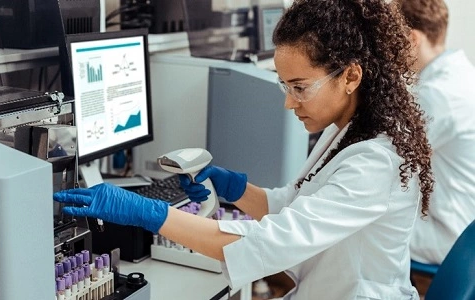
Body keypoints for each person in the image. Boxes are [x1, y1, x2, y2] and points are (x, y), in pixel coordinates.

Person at [54, 0, 434, 298]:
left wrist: (146, 212)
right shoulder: (351, 130)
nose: (289, 103)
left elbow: (270, 242)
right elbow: (296, 204)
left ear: (351, 76)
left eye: (299, 87)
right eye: (285, 86)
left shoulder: (376, 161)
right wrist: (236, 190)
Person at [399, 0, 475, 265]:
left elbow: (391, 157)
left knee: (361, 228)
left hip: (451, 235)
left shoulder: (439, 95)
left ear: (412, 38)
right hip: (465, 222)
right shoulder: (462, 74)